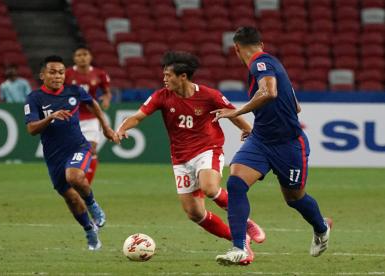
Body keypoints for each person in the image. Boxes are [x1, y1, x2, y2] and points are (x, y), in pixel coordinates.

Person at [116, 51, 266, 264]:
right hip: (180, 158)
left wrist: (248, 130)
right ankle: (240, 239)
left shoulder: (209, 95)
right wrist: (123, 127)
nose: (164, 79)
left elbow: (231, 112)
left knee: (209, 187)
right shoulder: (161, 96)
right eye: (164, 75)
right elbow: (138, 116)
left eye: (169, 75)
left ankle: (245, 224)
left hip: (208, 149)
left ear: (183, 76)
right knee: (195, 213)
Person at [213, 26, 332, 266]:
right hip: (261, 140)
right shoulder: (273, 63)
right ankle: (239, 248)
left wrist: (236, 111)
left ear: (236, 49)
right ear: (261, 44)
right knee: (235, 183)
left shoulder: (260, 64)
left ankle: (321, 228)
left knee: (294, 198)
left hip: (288, 145)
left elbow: (269, 92)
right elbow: (295, 106)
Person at [24, 55, 119, 250]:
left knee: (74, 176)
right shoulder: (34, 98)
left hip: (78, 147)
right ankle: (89, 230)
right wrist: (50, 117)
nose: (57, 76)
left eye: (61, 72)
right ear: (42, 75)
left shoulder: (74, 91)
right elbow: (32, 129)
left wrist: (106, 128)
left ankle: (94, 206)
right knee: (72, 198)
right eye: (52, 72)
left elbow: (93, 104)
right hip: (54, 157)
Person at [65, 46, 112, 186]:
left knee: (91, 149)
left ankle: (86, 185)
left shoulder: (99, 74)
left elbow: (107, 91)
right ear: (74, 58)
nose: (82, 57)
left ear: (90, 57)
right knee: (72, 152)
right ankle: (72, 179)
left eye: (85, 54)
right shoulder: (67, 74)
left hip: (91, 118)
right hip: (71, 118)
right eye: (79, 55)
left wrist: (106, 98)